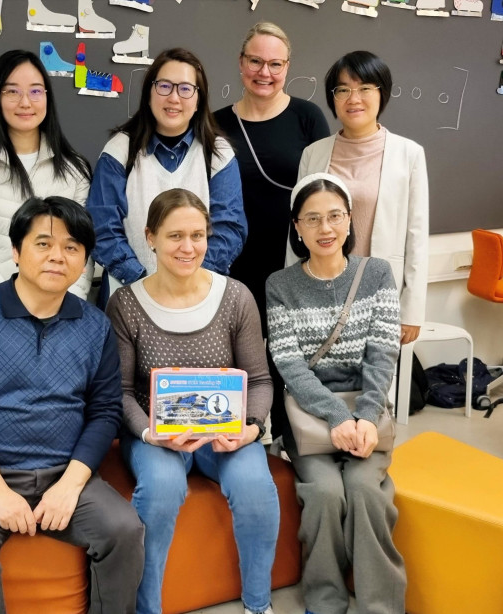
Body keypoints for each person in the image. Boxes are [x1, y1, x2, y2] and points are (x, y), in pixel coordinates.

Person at [0, 196, 144, 614]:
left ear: (84, 261)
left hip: (66, 472)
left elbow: (105, 411)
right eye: (43, 244)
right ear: (16, 251)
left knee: (124, 530)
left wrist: (70, 485)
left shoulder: (95, 325)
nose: (57, 256)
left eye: (71, 247)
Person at [106, 188, 279, 614]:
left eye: (198, 235)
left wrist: (251, 428)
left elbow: (260, 380)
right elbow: (120, 393)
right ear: (150, 237)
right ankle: (147, 608)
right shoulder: (125, 304)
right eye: (175, 236)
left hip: (225, 435)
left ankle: (258, 605)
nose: (188, 247)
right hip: (155, 437)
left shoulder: (236, 297)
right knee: (161, 489)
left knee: (256, 489)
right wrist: (151, 434)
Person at [266, 174, 405, 614]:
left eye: (334, 216)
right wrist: (336, 416)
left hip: (367, 414)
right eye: (312, 219)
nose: (325, 228)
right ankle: (325, 601)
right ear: (297, 227)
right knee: (324, 494)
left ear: (349, 221)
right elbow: (289, 365)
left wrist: (365, 416)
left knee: (366, 492)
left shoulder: (377, 274)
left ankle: (381, 605)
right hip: (309, 418)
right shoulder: (279, 284)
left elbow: (383, 354)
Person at [213, 21, 329, 438]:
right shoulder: (215, 123)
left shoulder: (307, 117)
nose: (265, 72)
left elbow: (323, 193)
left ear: (287, 67)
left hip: (291, 257)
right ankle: (233, 430)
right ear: (241, 63)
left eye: (275, 64)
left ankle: (287, 435)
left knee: (289, 352)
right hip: (232, 259)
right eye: (256, 61)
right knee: (233, 350)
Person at [87, 47, 247, 297]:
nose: (174, 98)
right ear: (149, 94)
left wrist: (190, 283)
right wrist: (143, 283)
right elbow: (102, 227)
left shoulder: (218, 154)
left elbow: (229, 229)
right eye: (164, 86)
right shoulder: (120, 151)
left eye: (185, 89)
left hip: (199, 295)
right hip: (128, 292)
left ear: (199, 99)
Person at [295, 50, 429, 346]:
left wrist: (412, 310)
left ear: (382, 93)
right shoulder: (313, 154)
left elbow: (417, 236)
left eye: (365, 88)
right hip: (321, 293)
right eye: (343, 90)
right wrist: (294, 297)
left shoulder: (409, 154)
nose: (353, 99)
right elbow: (298, 229)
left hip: (379, 294)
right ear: (333, 98)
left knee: (377, 374)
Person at [0, 49, 94, 298]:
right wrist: (4, 306)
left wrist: (67, 305)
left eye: (35, 91)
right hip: (0, 306)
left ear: (47, 97)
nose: (25, 102)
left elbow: (83, 246)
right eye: (12, 91)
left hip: (64, 308)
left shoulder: (75, 170)